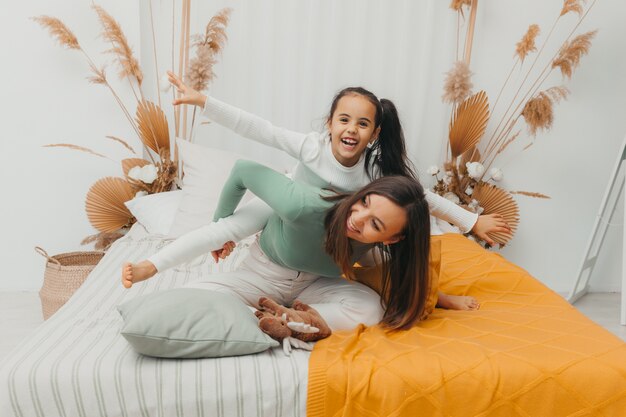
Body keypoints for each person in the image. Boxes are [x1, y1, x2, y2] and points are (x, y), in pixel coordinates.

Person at [164, 71, 510, 310]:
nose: (351, 129)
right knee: (248, 218)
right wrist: (205, 102)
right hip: (293, 225)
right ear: (330, 123)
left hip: (340, 241)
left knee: (392, 258)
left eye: (363, 124)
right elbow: (259, 129)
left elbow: (420, 196)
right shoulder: (311, 148)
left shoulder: (373, 171)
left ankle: (435, 297)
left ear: (374, 134)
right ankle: (217, 243)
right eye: (344, 120)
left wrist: (471, 222)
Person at [123, 160, 431, 341]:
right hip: (259, 277)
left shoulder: (370, 247)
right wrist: (151, 266)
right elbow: (220, 230)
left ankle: (301, 322)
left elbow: (398, 271)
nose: (357, 219)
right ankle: (264, 316)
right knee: (191, 298)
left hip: (312, 288)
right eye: (363, 202)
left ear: (390, 239)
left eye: (375, 224)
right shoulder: (299, 207)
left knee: (371, 306)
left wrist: (441, 297)